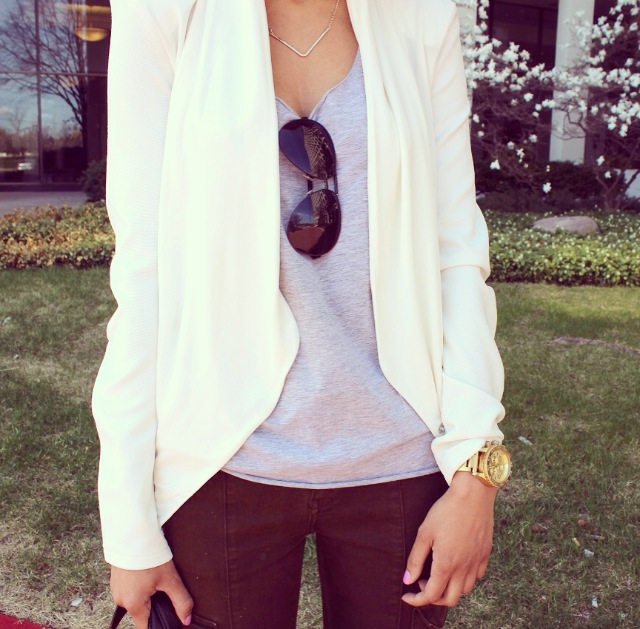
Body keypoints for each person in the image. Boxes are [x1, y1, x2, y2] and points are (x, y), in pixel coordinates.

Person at [92, 0, 512, 628]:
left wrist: (478, 468)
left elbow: (455, 252)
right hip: (219, 459)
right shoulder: (164, 13)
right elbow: (143, 273)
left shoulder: (422, 16)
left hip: (400, 457)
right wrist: (128, 523)